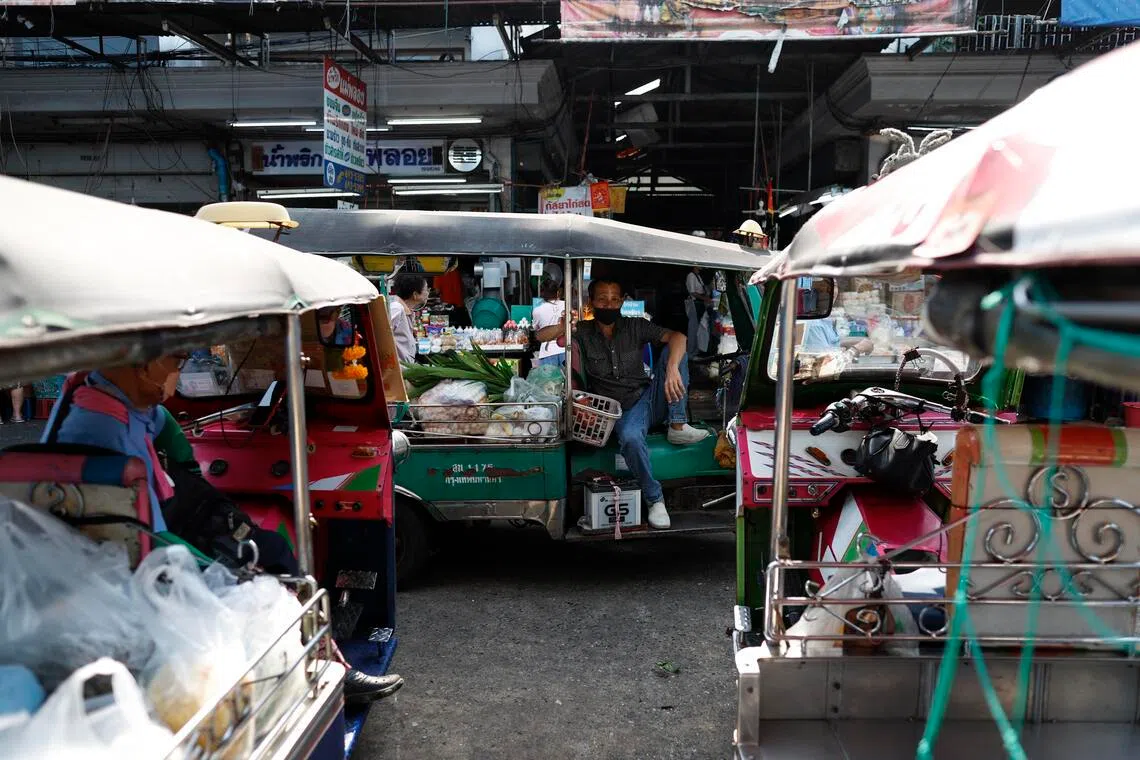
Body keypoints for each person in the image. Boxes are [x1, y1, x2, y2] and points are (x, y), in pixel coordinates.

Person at [42, 356, 405, 704]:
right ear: (142, 364)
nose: (176, 374)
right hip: (136, 549)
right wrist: (218, 569)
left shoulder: (111, 396)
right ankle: (325, 669)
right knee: (273, 569)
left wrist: (187, 467)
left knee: (272, 548)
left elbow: (160, 422)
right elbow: (146, 538)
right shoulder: (105, 428)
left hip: (164, 517)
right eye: (175, 362)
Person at [535, 279, 709, 530]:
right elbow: (541, 336)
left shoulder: (635, 326)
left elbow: (678, 337)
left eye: (615, 299)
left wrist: (671, 368)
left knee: (675, 354)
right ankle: (655, 499)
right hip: (618, 409)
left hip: (649, 397)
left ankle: (678, 426)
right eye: (602, 299)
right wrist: (565, 325)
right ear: (592, 302)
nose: (609, 304)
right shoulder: (582, 331)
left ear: (622, 301)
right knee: (630, 438)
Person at [388, 273, 429, 364]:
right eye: (426, 289)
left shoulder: (406, 310)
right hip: (397, 368)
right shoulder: (397, 308)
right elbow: (382, 334)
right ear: (415, 294)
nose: (428, 292)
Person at [530, 277, 566, 368]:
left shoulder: (537, 310)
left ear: (542, 294)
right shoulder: (566, 305)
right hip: (565, 349)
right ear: (558, 292)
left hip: (548, 351)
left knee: (550, 382)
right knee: (568, 380)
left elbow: (535, 329)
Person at [685, 266, 712, 358]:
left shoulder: (698, 276)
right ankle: (691, 353)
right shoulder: (691, 276)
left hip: (699, 303)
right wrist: (706, 298)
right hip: (694, 303)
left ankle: (697, 351)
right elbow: (693, 292)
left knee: (699, 328)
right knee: (693, 328)